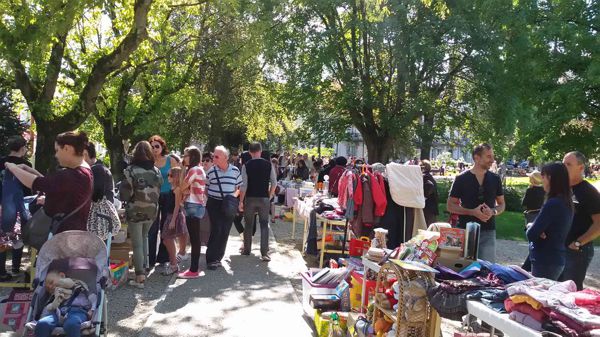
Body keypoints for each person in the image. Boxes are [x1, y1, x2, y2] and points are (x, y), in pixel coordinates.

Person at [5, 131, 93, 234]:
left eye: (57, 150)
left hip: (65, 237)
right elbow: (50, 183)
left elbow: (37, 183)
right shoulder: (83, 172)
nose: (56, 155)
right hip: (71, 235)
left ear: (67, 148)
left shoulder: (74, 175)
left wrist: (12, 167)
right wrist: (28, 169)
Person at [447, 143, 505, 262]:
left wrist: (493, 211)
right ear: (477, 158)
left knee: (487, 270)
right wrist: (471, 212)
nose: (492, 160)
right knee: (464, 269)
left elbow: (502, 204)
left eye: (492, 156)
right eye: (488, 156)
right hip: (465, 230)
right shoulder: (461, 179)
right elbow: (450, 206)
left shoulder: (495, 178)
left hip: (488, 231)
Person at [119, 141, 162, 288]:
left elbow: (125, 194)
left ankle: (139, 276)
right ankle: (145, 267)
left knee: (137, 244)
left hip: (135, 210)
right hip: (152, 211)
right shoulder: (156, 170)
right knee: (144, 238)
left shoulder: (130, 170)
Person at [526, 163, 573, 280]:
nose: (542, 181)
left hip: (546, 260)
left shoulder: (553, 203)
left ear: (550, 178)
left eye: (543, 176)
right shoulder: (566, 201)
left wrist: (530, 225)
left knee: (538, 297)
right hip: (555, 258)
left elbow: (531, 234)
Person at [560, 151, 600, 290]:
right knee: (555, 289)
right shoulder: (564, 188)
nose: (564, 167)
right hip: (560, 247)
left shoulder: (588, 192)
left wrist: (578, 243)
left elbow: (599, 224)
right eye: (563, 163)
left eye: (569, 164)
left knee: (571, 292)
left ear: (581, 168)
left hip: (577, 250)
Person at [238, 142, 277, 261]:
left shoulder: (246, 165)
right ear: (260, 151)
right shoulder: (268, 165)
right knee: (264, 225)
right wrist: (269, 196)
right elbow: (274, 183)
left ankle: (247, 249)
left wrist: (241, 201)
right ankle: (264, 253)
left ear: (249, 152)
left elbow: (243, 186)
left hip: (250, 198)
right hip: (264, 198)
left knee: (248, 224)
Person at [205, 146, 242, 270]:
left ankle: (218, 257)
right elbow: (206, 188)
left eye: (216, 156)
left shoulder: (235, 170)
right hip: (214, 203)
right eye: (213, 156)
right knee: (217, 229)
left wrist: (233, 198)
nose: (213, 158)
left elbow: (239, 188)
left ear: (225, 158)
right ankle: (211, 259)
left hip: (229, 204)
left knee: (225, 230)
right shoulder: (210, 172)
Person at [0, 136, 32, 281]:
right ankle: (15, 269)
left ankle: (1, 272)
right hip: (19, 205)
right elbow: (29, 187)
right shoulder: (26, 164)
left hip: (1, 205)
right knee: (17, 238)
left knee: (2, 238)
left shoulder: (1, 161)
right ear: (22, 148)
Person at [148, 135, 181, 270]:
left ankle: (163, 258)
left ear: (162, 147)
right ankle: (150, 259)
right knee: (152, 228)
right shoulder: (148, 161)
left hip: (168, 195)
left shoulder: (170, 160)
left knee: (165, 227)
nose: (155, 149)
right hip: (153, 196)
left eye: (157, 146)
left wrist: (177, 192)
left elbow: (179, 175)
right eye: (152, 146)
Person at [33, 270, 96, 337]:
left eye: (51, 282)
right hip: (57, 314)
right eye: (49, 289)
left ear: (62, 276)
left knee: (71, 324)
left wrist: (92, 310)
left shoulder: (79, 287)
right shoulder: (54, 296)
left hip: (78, 312)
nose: (51, 287)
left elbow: (94, 298)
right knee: (42, 324)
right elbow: (48, 309)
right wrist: (41, 318)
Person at [178, 147, 207, 279]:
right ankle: (194, 268)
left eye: (186, 155)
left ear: (193, 156)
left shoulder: (193, 170)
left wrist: (183, 169)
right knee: (196, 239)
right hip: (199, 204)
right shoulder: (200, 169)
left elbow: (182, 186)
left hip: (192, 205)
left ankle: (193, 269)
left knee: (194, 239)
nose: (184, 158)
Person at [160, 167, 188, 276]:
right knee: (167, 239)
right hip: (171, 215)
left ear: (176, 177)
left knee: (167, 239)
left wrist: (172, 220)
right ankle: (174, 262)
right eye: (168, 175)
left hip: (173, 216)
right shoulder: (174, 188)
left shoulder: (177, 189)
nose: (168, 177)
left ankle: (174, 264)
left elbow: (177, 206)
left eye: (171, 175)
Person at [521, 170, 545, 271]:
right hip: (540, 213)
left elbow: (524, 203)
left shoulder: (530, 190)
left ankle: (529, 262)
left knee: (531, 235)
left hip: (531, 214)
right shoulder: (544, 190)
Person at [421, 160, 439, 225]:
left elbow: (430, 186)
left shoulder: (425, 176)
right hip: (432, 208)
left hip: (427, 208)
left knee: (426, 230)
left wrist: (423, 198)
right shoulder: (430, 176)